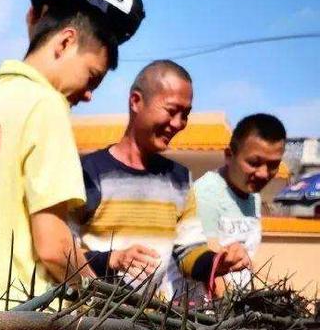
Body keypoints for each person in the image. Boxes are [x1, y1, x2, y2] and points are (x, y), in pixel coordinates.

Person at [0, 0, 146, 311]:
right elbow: (53, 247)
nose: (88, 95)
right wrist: (98, 301)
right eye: (91, 77)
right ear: (66, 41)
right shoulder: (45, 105)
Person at [78, 60, 251, 300]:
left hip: (150, 326)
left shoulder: (179, 179)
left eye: (186, 114)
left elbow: (188, 253)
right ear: (136, 101)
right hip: (92, 322)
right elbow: (60, 252)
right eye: (171, 111)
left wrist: (219, 261)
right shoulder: (91, 171)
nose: (179, 123)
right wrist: (112, 259)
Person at [194, 113, 286, 290]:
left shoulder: (254, 196)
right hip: (205, 312)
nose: (263, 173)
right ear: (229, 155)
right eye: (254, 162)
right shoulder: (206, 192)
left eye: (273, 165)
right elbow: (209, 267)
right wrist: (234, 308)